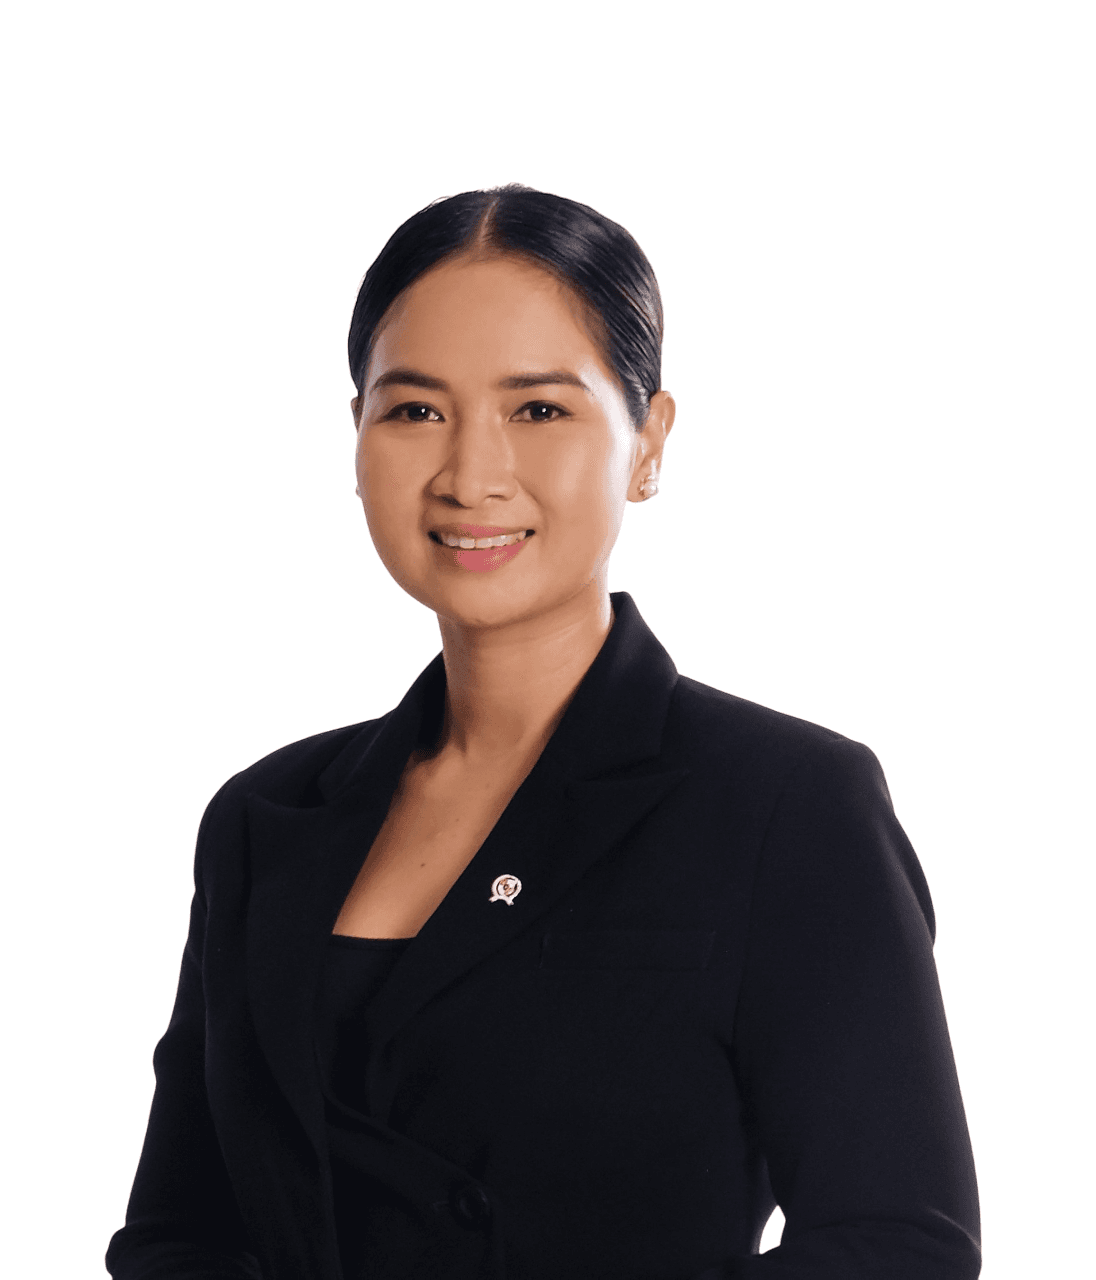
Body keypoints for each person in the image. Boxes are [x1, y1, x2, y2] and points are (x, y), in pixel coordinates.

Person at [105, 185, 981, 1280]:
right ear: (357, 433)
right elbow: (178, 1233)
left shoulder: (785, 802)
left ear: (648, 441)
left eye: (538, 411)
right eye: (415, 411)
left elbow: (898, 1244)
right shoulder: (263, 816)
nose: (470, 476)